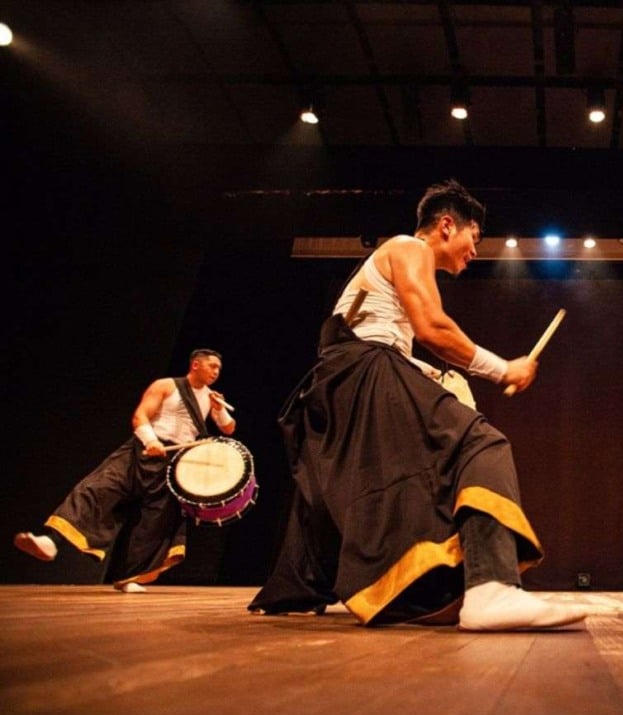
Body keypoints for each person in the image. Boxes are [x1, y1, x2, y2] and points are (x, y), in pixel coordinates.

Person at [248, 180, 587, 632]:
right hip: (363, 370)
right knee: (478, 443)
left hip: (338, 383)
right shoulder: (410, 247)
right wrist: (503, 369)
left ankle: (322, 585)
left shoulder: (392, 269)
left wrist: (427, 373)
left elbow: (383, 335)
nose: (475, 252)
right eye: (474, 237)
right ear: (447, 225)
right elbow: (432, 327)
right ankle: (491, 588)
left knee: (398, 480)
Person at [14, 349, 236, 592]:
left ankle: (131, 578)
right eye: (212, 366)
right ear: (195, 365)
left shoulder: (210, 397)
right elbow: (141, 415)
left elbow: (228, 428)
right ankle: (50, 541)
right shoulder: (166, 385)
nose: (216, 372)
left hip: (174, 461)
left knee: (155, 521)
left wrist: (219, 409)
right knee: (96, 490)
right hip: (144, 449)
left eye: (218, 369)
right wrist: (151, 441)